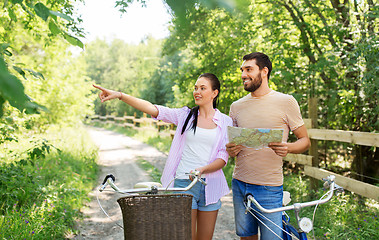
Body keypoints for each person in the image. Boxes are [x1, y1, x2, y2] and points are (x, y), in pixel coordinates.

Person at [93, 73, 233, 240]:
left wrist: (203, 169)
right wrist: (121, 96)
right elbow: (152, 108)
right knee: (185, 237)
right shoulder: (185, 116)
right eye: (195, 88)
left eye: (203, 88)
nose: (197, 91)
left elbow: (223, 157)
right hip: (184, 184)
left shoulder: (225, 122)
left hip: (211, 185)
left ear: (214, 93)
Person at [226, 52, 311, 240]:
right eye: (242, 70)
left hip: (269, 187)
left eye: (249, 69)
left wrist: (288, 147)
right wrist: (230, 149)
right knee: (246, 237)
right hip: (240, 183)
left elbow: (305, 140)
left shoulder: (286, 101)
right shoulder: (236, 107)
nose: (243, 74)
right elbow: (231, 145)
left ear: (264, 71)